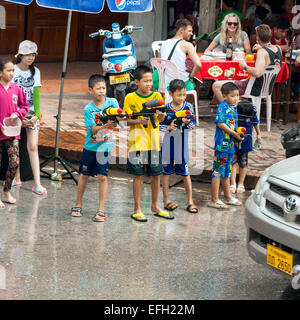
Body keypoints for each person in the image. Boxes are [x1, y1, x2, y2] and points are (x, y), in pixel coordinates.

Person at [123, 65, 174, 222]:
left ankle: (155, 206)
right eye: (145, 81)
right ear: (136, 81)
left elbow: (163, 117)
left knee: (156, 175)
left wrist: (159, 117)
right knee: (137, 176)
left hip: (153, 143)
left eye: (150, 81)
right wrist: (138, 120)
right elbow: (126, 120)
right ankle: (137, 208)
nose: (148, 84)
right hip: (137, 143)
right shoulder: (130, 98)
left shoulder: (157, 96)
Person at [71, 74, 120, 222]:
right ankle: (78, 204)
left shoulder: (112, 102)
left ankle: (101, 209)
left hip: (104, 147)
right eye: (98, 88)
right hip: (90, 147)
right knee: (84, 174)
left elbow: (118, 119)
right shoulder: (88, 109)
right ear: (90, 90)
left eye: (104, 88)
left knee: (103, 177)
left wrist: (118, 119)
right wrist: (106, 125)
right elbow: (93, 130)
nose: (101, 91)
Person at [212, 24, 283, 103]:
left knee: (216, 85)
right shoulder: (278, 48)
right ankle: (238, 108)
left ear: (257, 37)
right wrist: (262, 48)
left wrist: (244, 66)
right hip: (267, 89)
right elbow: (269, 56)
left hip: (253, 88)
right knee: (239, 83)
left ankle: (229, 111)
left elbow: (257, 73)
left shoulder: (262, 52)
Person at [12, 40, 47, 196]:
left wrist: (36, 115)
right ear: (20, 55)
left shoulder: (36, 71)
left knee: (33, 146)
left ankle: (37, 184)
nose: (31, 58)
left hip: (32, 114)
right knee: (16, 145)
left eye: (33, 54)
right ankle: (17, 177)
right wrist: (18, 115)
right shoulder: (12, 70)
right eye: (27, 54)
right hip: (15, 113)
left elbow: (37, 95)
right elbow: (9, 95)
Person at [159, 79, 198, 213]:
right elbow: (159, 124)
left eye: (184, 95)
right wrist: (168, 127)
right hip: (167, 145)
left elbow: (193, 124)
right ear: (170, 93)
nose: (182, 98)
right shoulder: (165, 108)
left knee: (185, 173)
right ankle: (166, 200)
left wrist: (186, 123)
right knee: (166, 173)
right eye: (179, 95)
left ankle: (190, 201)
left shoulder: (188, 107)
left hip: (181, 146)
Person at [208, 82, 243, 209]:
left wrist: (237, 135)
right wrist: (234, 133)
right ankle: (214, 199)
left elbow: (233, 124)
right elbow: (220, 124)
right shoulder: (223, 107)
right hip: (221, 146)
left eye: (237, 95)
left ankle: (227, 197)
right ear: (224, 96)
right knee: (218, 170)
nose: (236, 98)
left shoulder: (233, 107)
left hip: (229, 146)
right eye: (233, 96)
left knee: (227, 171)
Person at [0, 57, 29, 207]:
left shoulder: (16, 89)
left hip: (11, 133)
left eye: (13, 70)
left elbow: (25, 106)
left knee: (14, 162)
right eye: (8, 70)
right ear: (0, 72)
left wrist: (17, 114)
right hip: (0, 131)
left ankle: (7, 189)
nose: (12, 73)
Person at [155, 18, 202, 91]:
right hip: (181, 85)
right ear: (181, 30)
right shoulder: (187, 45)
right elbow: (198, 65)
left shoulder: (164, 43)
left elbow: (158, 63)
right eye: (189, 31)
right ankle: (187, 102)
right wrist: (191, 77)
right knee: (195, 82)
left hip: (164, 85)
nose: (191, 33)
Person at [230, 100, 261, 194]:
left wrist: (259, 134)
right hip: (234, 138)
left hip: (246, 140)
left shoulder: (253, 110)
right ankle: (232, 184)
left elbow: (255, 123)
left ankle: (241, 183)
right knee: (233, 162)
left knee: (243, 163)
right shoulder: (233, 110)